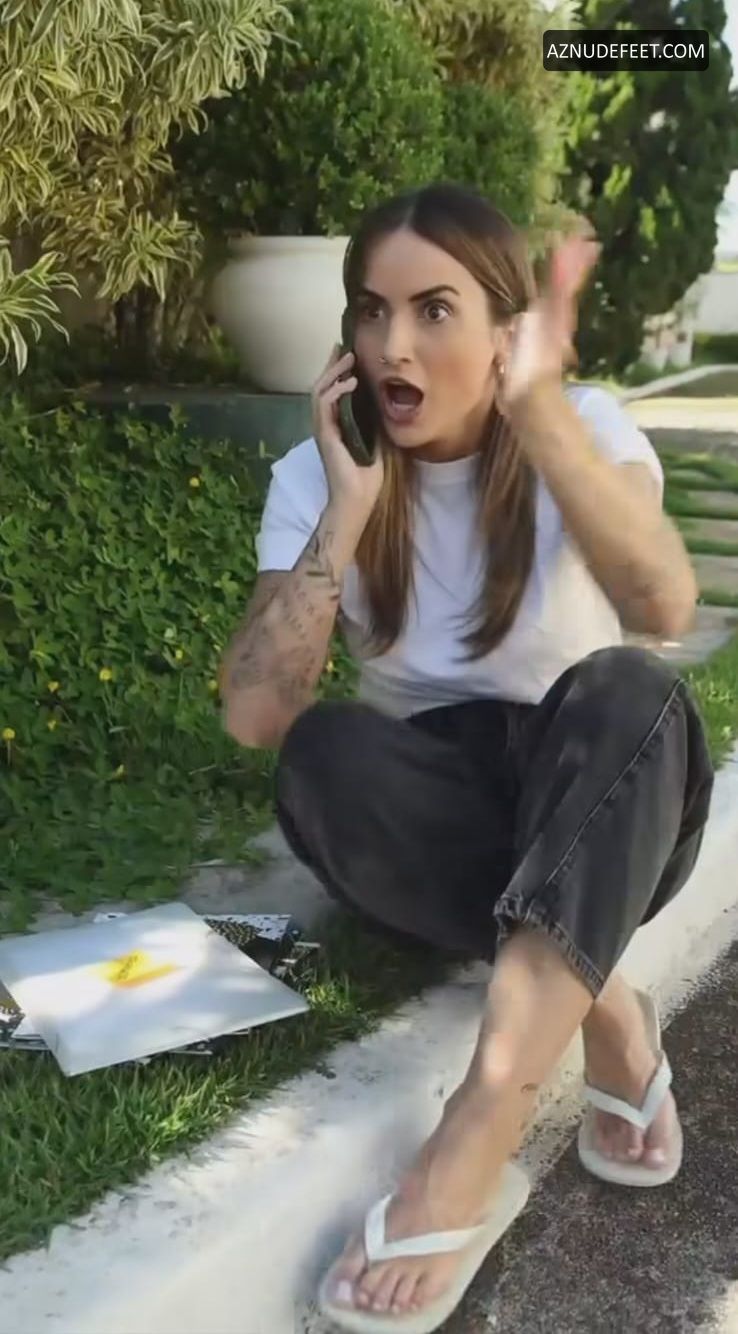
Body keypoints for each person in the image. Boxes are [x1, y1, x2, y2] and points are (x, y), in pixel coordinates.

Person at [220, 184, 714, 1333]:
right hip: (443, 808)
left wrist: (536, 413)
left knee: (628, 685)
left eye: (433, 309)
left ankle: (480, 1126)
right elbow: (254, 713)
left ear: (503, 330)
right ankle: (606, 1008)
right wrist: (348, 510)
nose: (393, 344)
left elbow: (664, 603)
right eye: (371, 309)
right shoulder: (317, 477)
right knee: (323, 752)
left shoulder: (582, 424)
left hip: (606, 792)